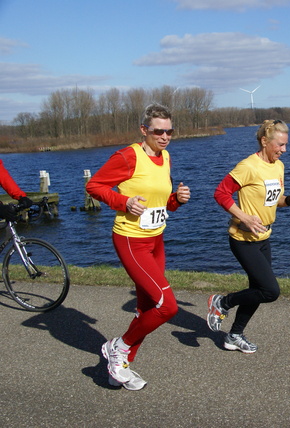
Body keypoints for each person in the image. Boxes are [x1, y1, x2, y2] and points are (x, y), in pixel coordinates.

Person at [86, 103, 190, 390]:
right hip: (132, 241)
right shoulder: (128, 156)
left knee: (147, 308)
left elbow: (161, 204)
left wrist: (176, 200)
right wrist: (123, 202)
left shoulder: (165, 156)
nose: (165, 137)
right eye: (159, 131)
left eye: (170, 131)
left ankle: (117, 368)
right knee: (167, 307)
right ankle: (117, 347)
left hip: (156, 240)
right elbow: (94, 186)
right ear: (144, 130)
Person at [207, 119, 290, 353]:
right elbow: (221, 193)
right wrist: (244, 216)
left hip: (263, 237)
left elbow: (275, 201)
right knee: (270, 291)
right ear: (265, 141)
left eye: (285, 145)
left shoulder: (278, 167)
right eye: (280, 145)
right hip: (243, 239)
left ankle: (234, 335)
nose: (284, 150)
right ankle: (222, 302)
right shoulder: (248, 166)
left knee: (257, 290)